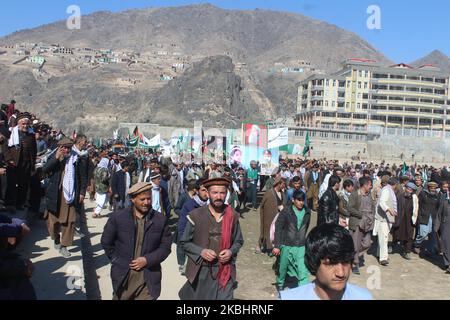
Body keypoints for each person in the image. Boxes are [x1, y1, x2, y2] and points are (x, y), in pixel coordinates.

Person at [101, 182, 172, 300]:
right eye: (142, 199)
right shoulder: (118, 218)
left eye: (149, 199)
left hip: (148, 279)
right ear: (133, 199)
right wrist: (116, 260)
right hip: (124, 279)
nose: (146, 202)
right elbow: (106, 242)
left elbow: (165, 247)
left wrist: (147, 260)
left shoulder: (160, 220)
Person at [179, 177, 244, 300]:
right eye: (215, 192)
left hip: (225, 270)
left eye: (222, 192)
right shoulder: (196, 215)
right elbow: (184, 242)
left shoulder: (232, 215)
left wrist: (230, 251)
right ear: (208, 193)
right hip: (202, 271)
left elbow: (238, 241)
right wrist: (201, 251)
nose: (219, 196)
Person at [280, 223, 372, 300]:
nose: (341, 273)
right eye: (331, 263)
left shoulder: (364, 297)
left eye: (345, 262)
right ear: (314, 263)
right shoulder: (289, 298)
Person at [43, 137, 88, 258]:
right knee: (52, 222)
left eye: (68, 148)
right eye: (63, 147)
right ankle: (56, 239)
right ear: (59, 147)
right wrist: (56, 158)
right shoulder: (53, 156)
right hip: (54, 194)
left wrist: (82, 192)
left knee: (69, 222)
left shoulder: (77, 159)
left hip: (70, 195)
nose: (65, 150)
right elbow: (45, 170)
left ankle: (64, 245)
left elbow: (83, 177)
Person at [273, 190, 311, 291]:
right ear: (293, 200)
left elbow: (305, 227)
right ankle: (280, 284)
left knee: (302, 270)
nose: (301, 202)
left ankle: (303, 291)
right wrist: (277, 245)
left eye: (303, 200)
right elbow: (278, 228)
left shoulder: (307, 212)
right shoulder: (286, 211)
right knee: (283, 268)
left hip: (301, 246)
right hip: (287, 245)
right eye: (298, 200)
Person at [4, 113, 37, 212]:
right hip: (13, 163)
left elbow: (34, 150)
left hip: (26, 164)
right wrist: (9, 159)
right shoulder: (11, 133)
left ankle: (20, 203)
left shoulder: (31, 135)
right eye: (23, 124)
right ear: (18, 124)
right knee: (11, 184)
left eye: (27, 124)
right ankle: (9, 203)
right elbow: (5, 148)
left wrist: (32, 162)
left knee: (23, 185)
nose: (25, 126)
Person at [177, 179, 209, 275]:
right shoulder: (189, 205)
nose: (206, 193)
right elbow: (182, 227)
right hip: (193, 242)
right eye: (203, 190)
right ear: (197, 190)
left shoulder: (212, 205)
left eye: (208, 190)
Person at [347, 177, 375, 274]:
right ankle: (355, 263)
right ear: (365, 185)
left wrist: (371, 217)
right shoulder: (355, 194)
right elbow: (349, 208)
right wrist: (360, 215)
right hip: (357, 223)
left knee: (367, 243)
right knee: (356, 244)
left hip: (367, 223)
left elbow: (372, 207)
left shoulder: (369, 195)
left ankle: (353, 255)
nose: (371, 187)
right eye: (370, 185)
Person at [373, 177, 398, 266]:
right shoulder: (387, 190)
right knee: (384, 238)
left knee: (383, 237)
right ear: (395, 185)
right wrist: (388, 209)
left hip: (386, 218)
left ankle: (380, 254)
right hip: (383, 218)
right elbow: (382, 202)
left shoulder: (388, 190)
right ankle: (383, 258)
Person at [259, 177, 286, 253]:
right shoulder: (269, 193)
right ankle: (267, 247)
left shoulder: (282, 193)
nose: (284, 185)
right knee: (268, 230)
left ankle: (276, 246)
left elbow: (283, 202)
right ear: (279, 184)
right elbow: (263, 205)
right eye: (283, 184)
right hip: (270, 216)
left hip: (279, 216)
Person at [393, 182, 419, 260]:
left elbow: (416, 209)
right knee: (396, 232)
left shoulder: (414, 198)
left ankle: (407, 251)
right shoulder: (399, 196)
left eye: (411, 190)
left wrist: (415, 219)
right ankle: (392, 245)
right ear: (405, 189)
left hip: (410, 220)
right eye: (408, 189)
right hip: (400, 219)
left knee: (409, 236)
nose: (409, 191)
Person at [414, 181, 440, 256]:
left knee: (432, 235)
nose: (433, 189)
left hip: (433, 217)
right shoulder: (423, 194)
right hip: (424, 216)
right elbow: (418, 205)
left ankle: (430, 250)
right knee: (423, 233)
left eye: (434, 188)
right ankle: (417, 244)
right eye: (431, 187)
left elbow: (438, 206)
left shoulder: (437, 195)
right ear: (428, 187)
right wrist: (418, 216)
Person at [436, 181, 450, 273]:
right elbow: (439, 214)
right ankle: (448, 264)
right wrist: (436, 226)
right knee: (446, 245)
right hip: (445, 226)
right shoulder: (444, 200)